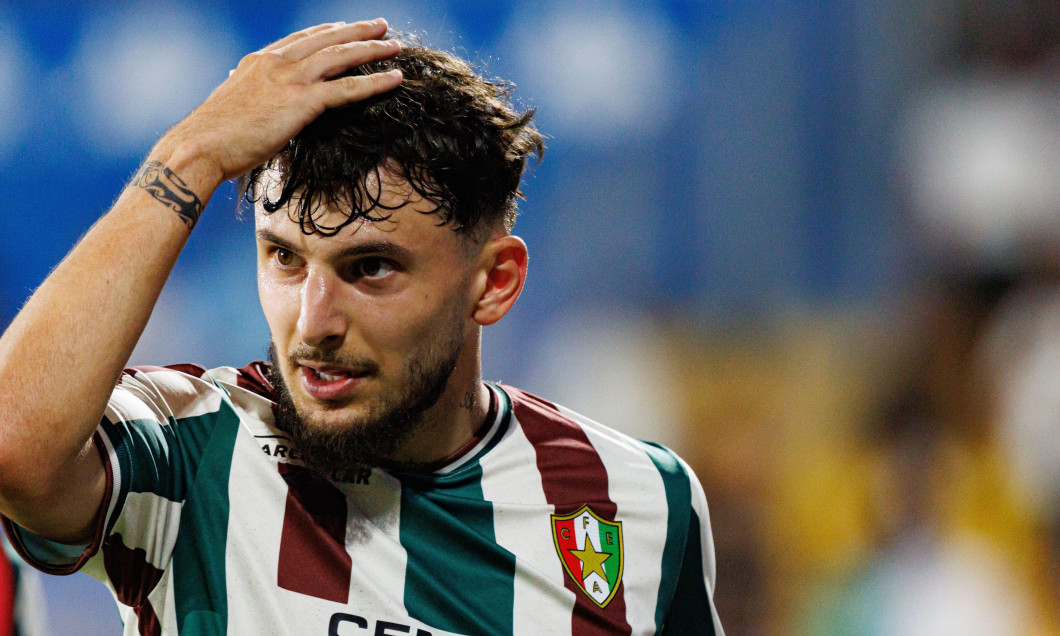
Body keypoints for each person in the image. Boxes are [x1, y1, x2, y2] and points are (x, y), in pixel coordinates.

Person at [0, 18, 723, 635]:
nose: (313, 323)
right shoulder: (194, 452)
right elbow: (13, 446)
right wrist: (191, 155)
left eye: (371, 268)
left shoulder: (639, 500)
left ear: (493, 281)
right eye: (284, 257)